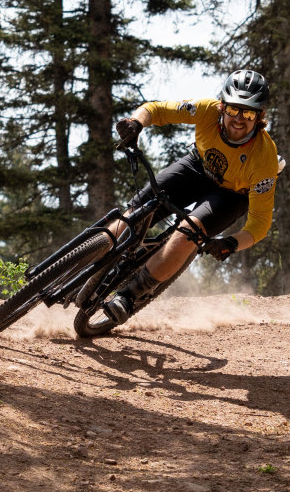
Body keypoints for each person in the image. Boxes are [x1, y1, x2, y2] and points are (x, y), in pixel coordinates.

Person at [103, 69, 280, 325]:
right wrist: (136, 123)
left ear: (260, 116)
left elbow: (260, 223)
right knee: (136, 213)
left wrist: (231, 243)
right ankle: (91, 262)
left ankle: (129, 297)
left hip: (230, 195)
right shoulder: (206, 110)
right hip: (197, 167)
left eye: (249, 113)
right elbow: (157, 110)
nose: (239, 119)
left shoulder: (265, 159)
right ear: (222, 106)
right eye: (233, 109)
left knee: (189, 231)